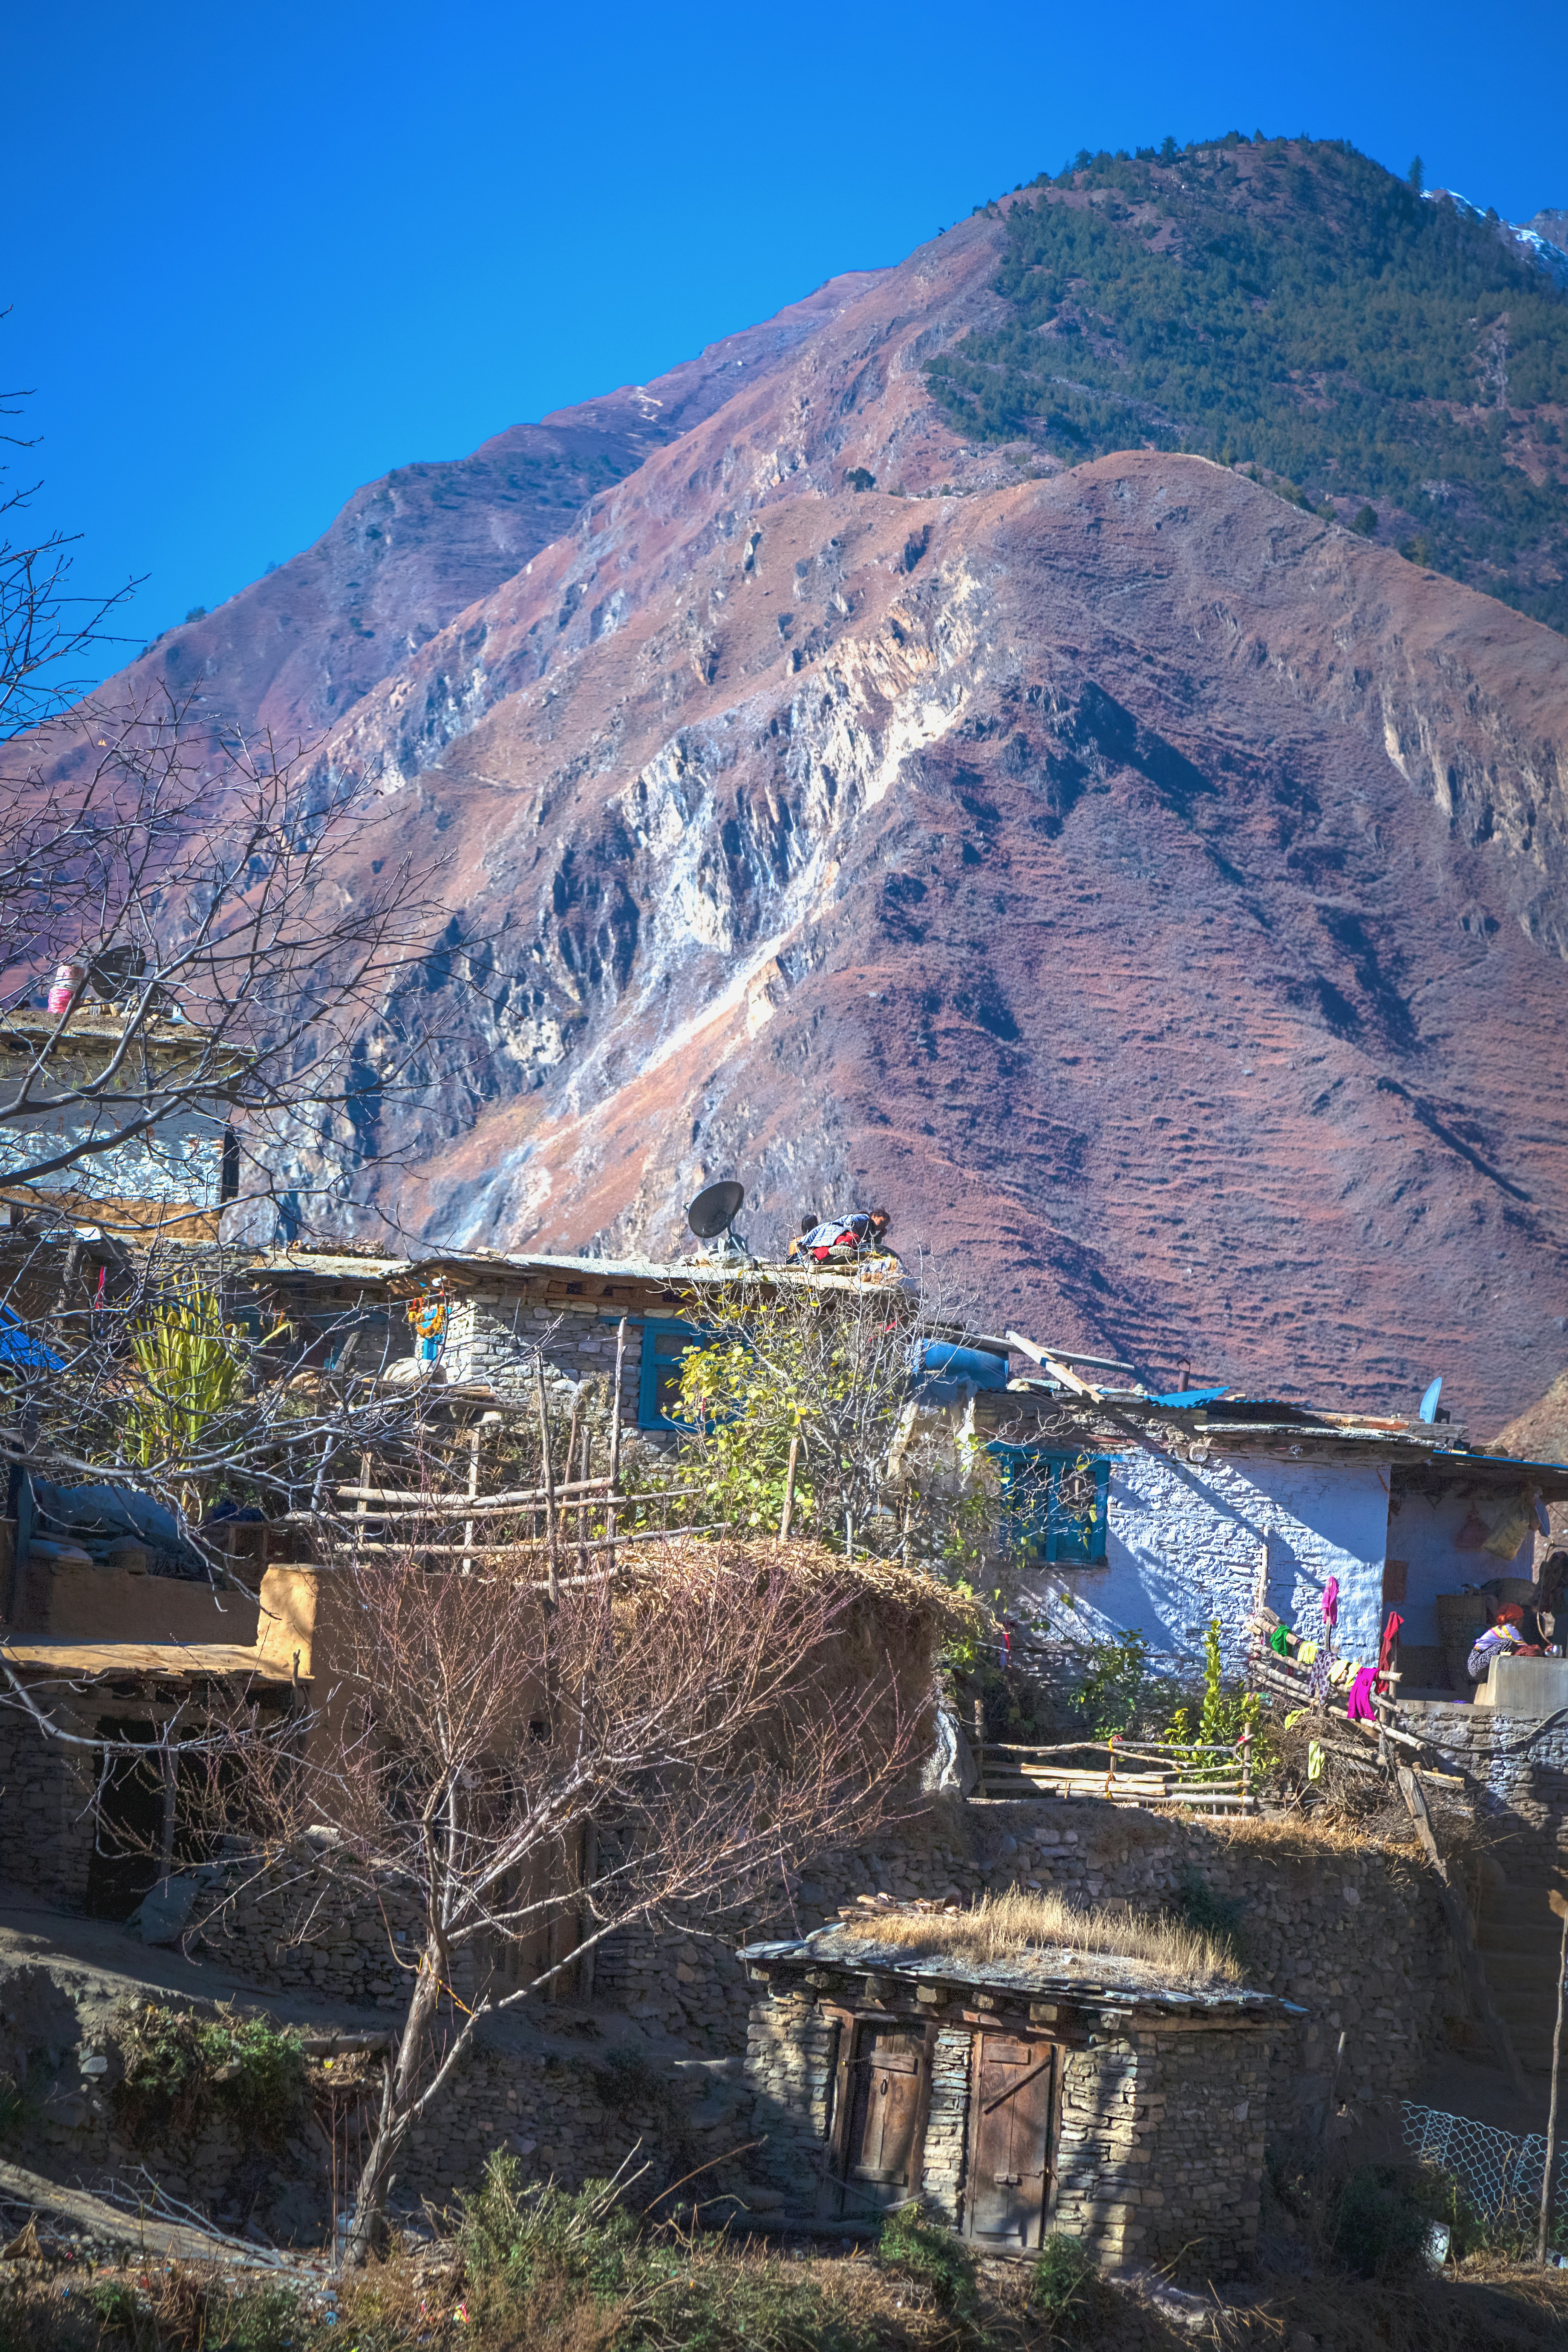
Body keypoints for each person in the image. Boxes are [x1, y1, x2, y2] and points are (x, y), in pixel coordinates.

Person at [1466, 1603, 1542, 1687]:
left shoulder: (1501, 1628)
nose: (1522, 1622)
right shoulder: (1508, 1628)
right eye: (1521, 1619)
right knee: (1508, 1643)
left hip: (1476, 1666)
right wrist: (1542, 1652)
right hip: (1477, 1663)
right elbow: (1527, 1649)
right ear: (1516, 1620)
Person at [793, 1208, 894, 1265]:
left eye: (885, 1226)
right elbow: (850, 1222)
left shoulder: (869, 1232)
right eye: (882, 1222)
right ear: (875, 1216)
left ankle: (812, 1257)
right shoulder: (864, 1219)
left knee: (829, 1249)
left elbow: (869, 1246)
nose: (882, 1226)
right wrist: (854, 1237)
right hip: (838, 1231)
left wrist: (879, 1236)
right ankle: (843, 1246)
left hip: (842, 1237)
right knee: (854, 1239)